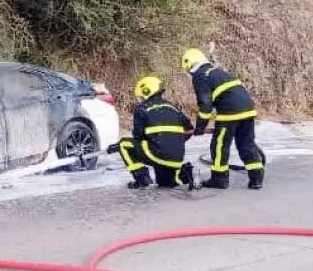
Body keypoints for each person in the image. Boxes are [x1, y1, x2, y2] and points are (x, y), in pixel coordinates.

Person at [181, 48, 264, 190]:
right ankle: (256, 178)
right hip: (248, 108)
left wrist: (200, 127)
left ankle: (219, 179)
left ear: (190, 65)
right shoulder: (217, 71)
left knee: (220, 145)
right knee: (246, 144)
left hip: (230, 111)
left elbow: (205, 104)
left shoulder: (200, 75)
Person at [107, 76, 196, 190]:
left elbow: (138, 137)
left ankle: (142, 179)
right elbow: (189, 129)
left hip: (157, 154)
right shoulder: (173, 107)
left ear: (146, 91)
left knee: (123, 144)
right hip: (176, 157)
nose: (140, 98)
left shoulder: (142, 109)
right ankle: (185, 173)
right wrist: (173, 141)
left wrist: (117, 146)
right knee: (166, 184)